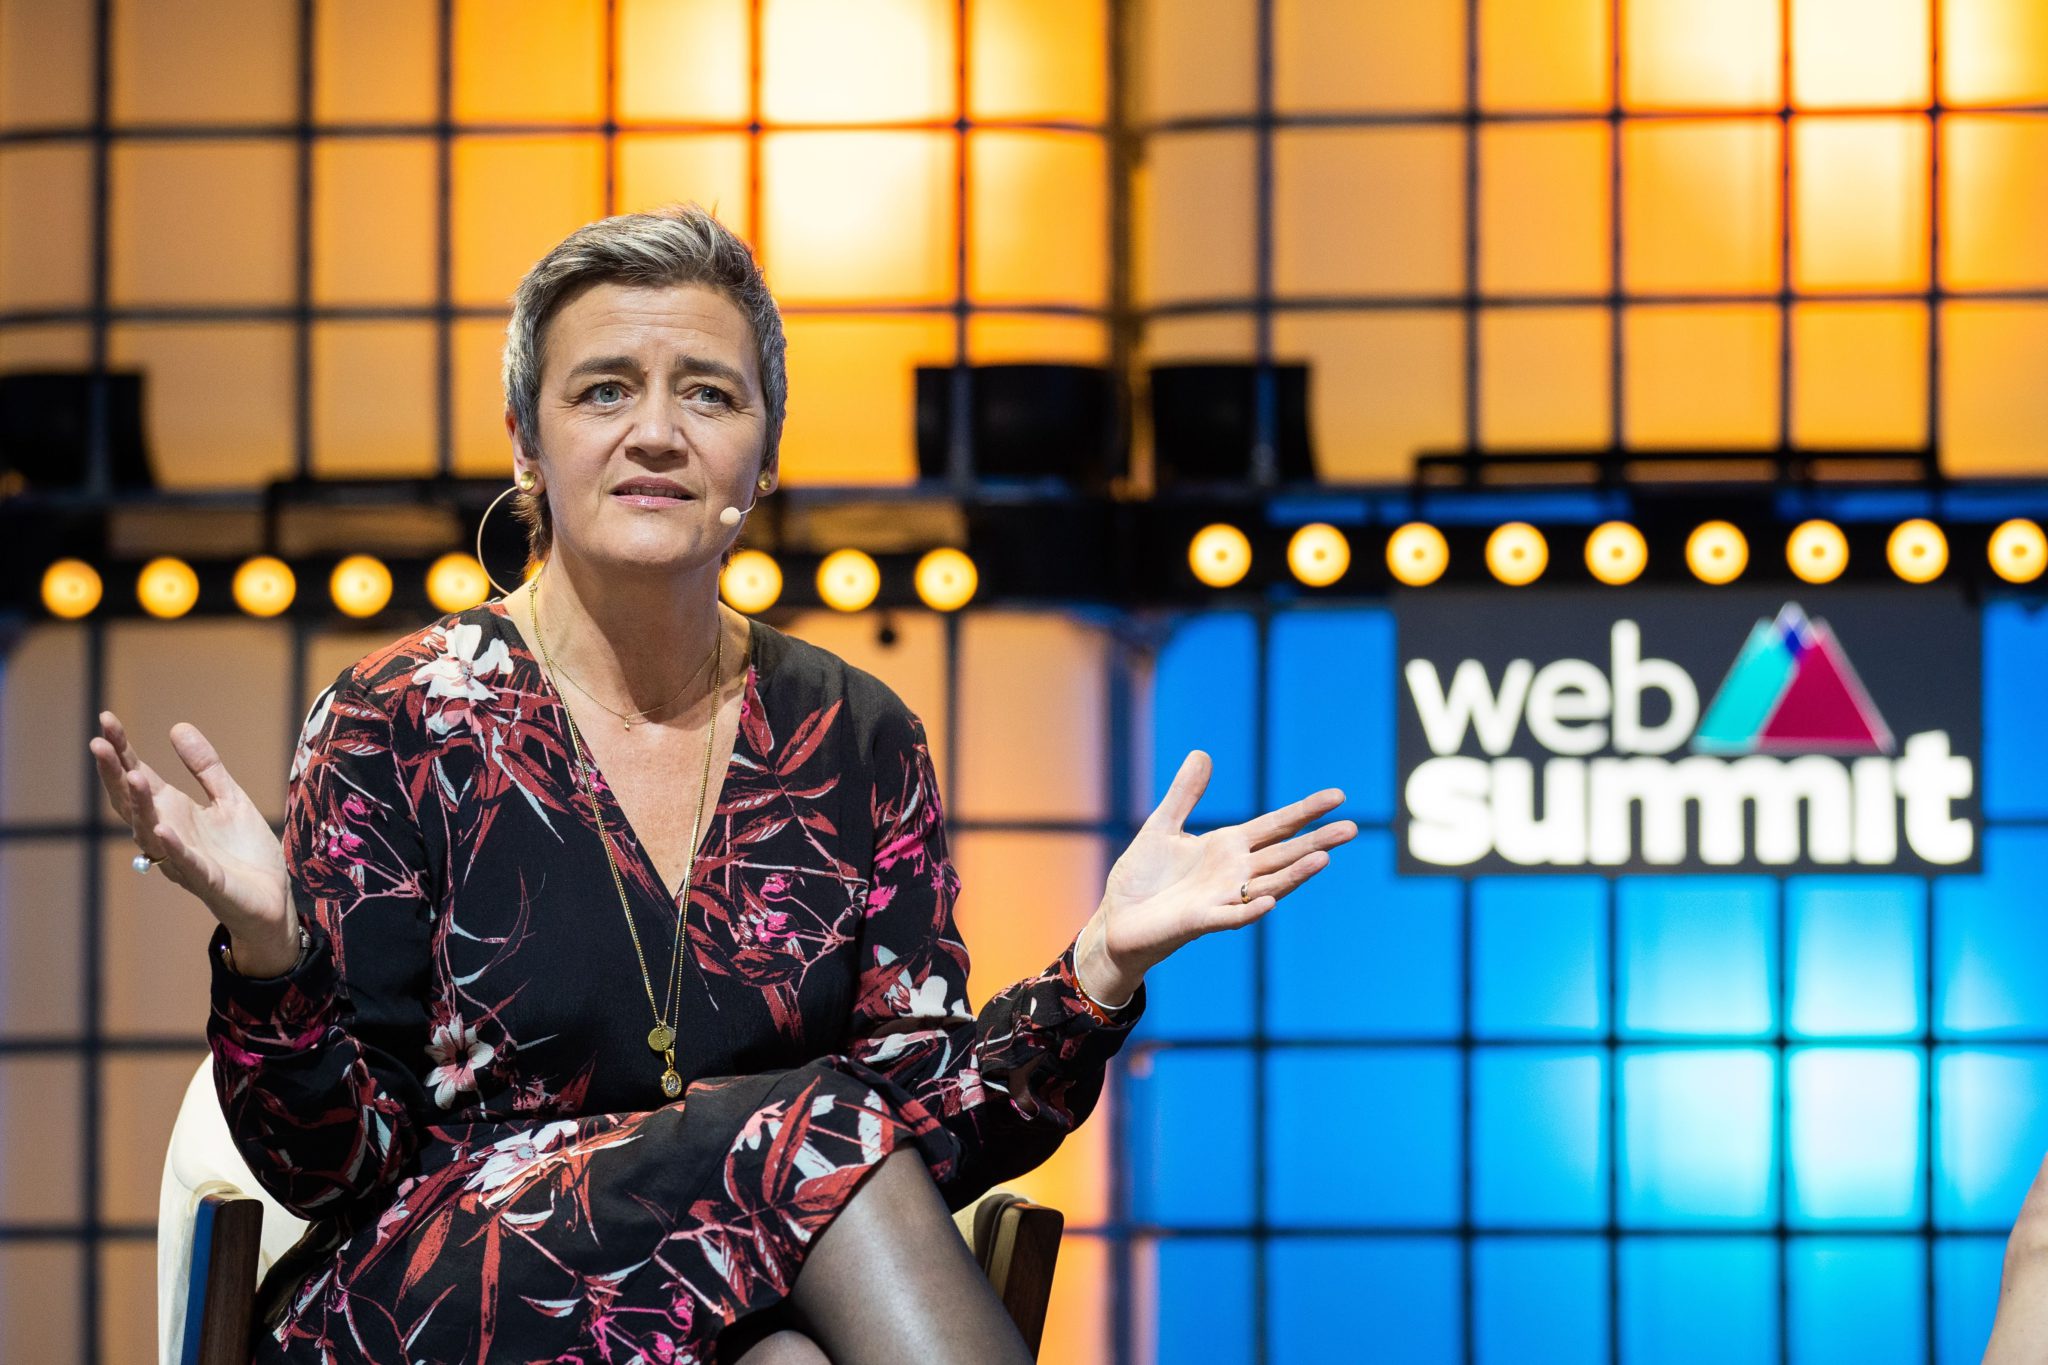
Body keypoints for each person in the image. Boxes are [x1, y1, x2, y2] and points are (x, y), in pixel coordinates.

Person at [89, 205, 1357, 1364]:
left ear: (763, 458)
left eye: (708, 393)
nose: (656, 431)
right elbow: (332, 1169)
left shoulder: (854, 737)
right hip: (432, 1297)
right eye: (604, 390)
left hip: (724, 1309)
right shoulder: (395, 720)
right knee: (813, 1130)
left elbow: (915, 1136)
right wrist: (269, 956)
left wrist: (1097, 971)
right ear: (526, 443)